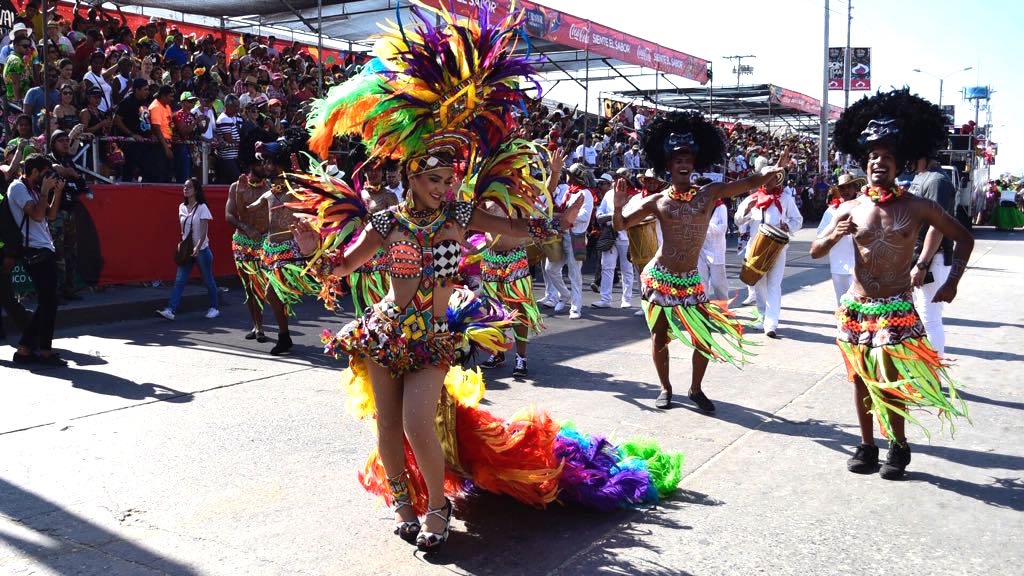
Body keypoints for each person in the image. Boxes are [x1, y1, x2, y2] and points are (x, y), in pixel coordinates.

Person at [294, 4, 680, 553]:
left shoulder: (457, 218)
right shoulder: (386, 221)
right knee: (386, 428)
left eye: (448, 178)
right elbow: (345, 262)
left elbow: (516, 229)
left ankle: (436, 506)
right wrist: (317, 256)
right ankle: (403, 503)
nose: (443, 186)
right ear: (410, 175)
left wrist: (555, 221)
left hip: (430, 335)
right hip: (382, 331)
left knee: (417, 424)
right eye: (432, 178)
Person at [812, 88, 973, 480]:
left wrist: (951, 282)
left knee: (889, 379)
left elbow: (964, 237)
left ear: (898, 163)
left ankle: (897, 446)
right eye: (871, 157)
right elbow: (816, 250)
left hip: (896, 310)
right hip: (856, 308)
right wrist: (834, 238)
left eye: (884, 157)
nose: (877, 163)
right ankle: (867, 445)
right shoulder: (849, 208)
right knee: (860, 380)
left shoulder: (917, 205)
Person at [613, 111, 786, 411]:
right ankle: (665, 388)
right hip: (661, 277)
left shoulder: (710, 194)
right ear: (668, 166)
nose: (683, 165)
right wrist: (617, 206)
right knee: (660, 337)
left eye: (688, 160)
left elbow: (747, 182)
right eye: (678, 160)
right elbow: (620, 225)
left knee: (702, 337)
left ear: (694, 165)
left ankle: (695, 389)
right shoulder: (657, 201)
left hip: (691, 280)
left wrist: (770, 171)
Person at [480, 145, 565, 376]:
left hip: (515, 258)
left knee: (518, 308)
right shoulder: (485, 196)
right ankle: (496, 352)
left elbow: (545, 194)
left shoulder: (522, 197)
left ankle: (520, 357)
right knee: (492, 308)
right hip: (490, 259)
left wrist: (554, 172)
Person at [8, 154, 67, 366]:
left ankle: (41, 349)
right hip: (34, 251)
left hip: (44, 248)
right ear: (32, 172)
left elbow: (50, 216)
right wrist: (44, 192)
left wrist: (56, 193)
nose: (47, 178)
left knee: (49, 302)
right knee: (48, 301)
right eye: (44, 174)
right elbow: (36, 215)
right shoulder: (18, 188)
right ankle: (27, 349)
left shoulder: (32, 189)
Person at [734, 166, 804, 338]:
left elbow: (798, 220)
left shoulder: (786, 199)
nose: (767, 181)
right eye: (764, 178)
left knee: (774, 285)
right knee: (758, 284)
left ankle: (771, 324)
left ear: (776, 179)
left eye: (771, 178)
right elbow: (737, 219)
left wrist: (789, 226)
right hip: (755, 248)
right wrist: (747, 209)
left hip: (777, 248)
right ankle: (763, 316)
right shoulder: (752, 198)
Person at [157, 178, 219, 320]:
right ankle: (171, 310)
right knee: (180, 280)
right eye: (184, 187)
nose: (185, 189)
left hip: (201, 250)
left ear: (196, 190)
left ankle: (214, 307)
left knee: (208, 279)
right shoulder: (182, 207)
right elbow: (183, 230)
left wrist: (197, 247)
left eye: (189, 187)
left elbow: (204, 232)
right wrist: (183, 245)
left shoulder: (202, 207)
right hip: (187, 250)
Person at [225, 163, 270, 342]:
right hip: (243, 242)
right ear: (253, 164)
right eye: (261, 163)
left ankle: (274, 329)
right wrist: (246, 227)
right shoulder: (236, 187)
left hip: (265, 242)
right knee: (250, 288)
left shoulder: (270, 187)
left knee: (267, 287)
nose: (265, 166)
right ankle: (258, 326)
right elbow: (229, 215)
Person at [542, 163, 593, 319]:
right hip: (561, 235)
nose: (568, 177)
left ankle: (576, 307)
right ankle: (564, 295)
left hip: (576, 237)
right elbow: (558, 209)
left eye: (570, 175)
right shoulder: (568, 191)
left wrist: (565, 218)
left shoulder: (586, 194)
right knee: (550, 268)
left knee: (574, 273)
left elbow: (584, 216)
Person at [816, 173, 864, 305]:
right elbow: (820, 235)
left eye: (849, 187)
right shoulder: (831, 211)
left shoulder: (865, 208)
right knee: (842, 306)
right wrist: (836, 232)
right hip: (838, 264)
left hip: (861, 266)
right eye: (842, 188)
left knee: (860, 306)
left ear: (855, 188)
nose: (846, 191)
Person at [593, 172, 633, 309]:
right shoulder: (609, 194)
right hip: (609, 234)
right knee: (607, 267)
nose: (619, 181)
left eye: (622, 179)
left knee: (627, 268)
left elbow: (629, 216)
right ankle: (605, 299)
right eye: (616, 179)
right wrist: (611, 216)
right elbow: (599, 213)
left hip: (626, 236)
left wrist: (611, 216)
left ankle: (626, 299)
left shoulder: (632, 195)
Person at [698, 191, 729, 301]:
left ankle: (724, 307)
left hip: (716, 250)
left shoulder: (721, 208)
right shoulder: (696, 206)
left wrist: (705, 225)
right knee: (701, 282)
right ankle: (703, 308)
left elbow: (723, 228)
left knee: (718, 283)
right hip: (700, 249)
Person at [214, 95, 242, 184]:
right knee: (237, 182)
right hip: (228, 157)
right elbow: (229, 140)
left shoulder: (229, 118)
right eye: (235, 106)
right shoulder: (224, 119)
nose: (237, 109)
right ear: (228, 106)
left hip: (232, 157)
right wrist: (243, 143)